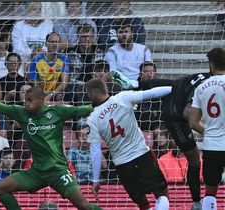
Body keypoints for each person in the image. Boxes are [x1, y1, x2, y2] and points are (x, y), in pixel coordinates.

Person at [0, 70, 101, 210]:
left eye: (29, 100)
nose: (26, 103)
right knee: (0, 188)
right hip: (37, 172)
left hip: (58, 171)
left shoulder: (58, 112)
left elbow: (87, 108)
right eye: (25, 100)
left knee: (84, 206)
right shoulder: (20, 113)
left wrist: (109, 100)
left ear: (41, 100)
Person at [111, 70, 209, 209]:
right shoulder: (207, 79)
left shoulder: (206, 77)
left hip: (180, 106)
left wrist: (137, 83)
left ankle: (197, 202)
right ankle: (197, 203)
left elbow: (173, 85)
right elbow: (190, 116)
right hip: (175, 114)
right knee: (194, 159)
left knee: (198, 160)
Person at [86, 78, 171, 210]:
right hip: (143, 155)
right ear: (105, 90)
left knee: (143, 203)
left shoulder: (93, 119)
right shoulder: (123, 98)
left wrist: (96, 180)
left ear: (92, 95)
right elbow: (152, 93)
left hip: (123, 164)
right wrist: (175, 89)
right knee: (162, 194)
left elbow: (95, 151)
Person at [189, 47, 225, 210]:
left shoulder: (201, 87)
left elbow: (193, 121)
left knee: (210, 191)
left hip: (211, 146)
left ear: (211, 64)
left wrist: (211, 132)